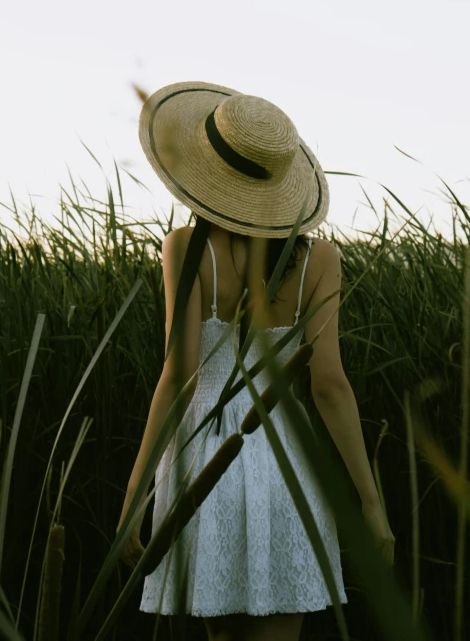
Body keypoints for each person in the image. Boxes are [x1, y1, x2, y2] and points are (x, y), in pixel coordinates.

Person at [117, 81, 395, 641]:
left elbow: (180, 377)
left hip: (203, 462)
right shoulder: (320, 258)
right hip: (287, 464)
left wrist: (133, 497)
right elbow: (330, 387)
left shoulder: (184, 248)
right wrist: (371, 503)